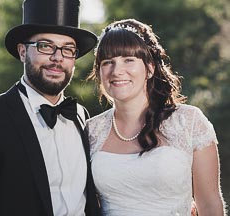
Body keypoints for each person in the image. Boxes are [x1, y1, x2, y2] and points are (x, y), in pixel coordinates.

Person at [0, 0, 101, 216]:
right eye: (45, 46)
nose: (57, 58)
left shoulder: (80, 115)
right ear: (23, 52)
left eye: (67, 49)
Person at [86, 18, 226, 215]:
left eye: (128, 60)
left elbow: (210, 206)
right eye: (108, 62)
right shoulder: (92, 130)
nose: (117, 71)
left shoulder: (189, 121)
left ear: (150, 68)